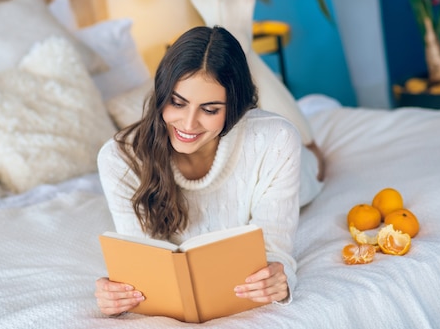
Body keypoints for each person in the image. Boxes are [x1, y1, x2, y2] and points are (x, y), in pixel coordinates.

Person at [95, 25, 309, 316]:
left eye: (209, 110)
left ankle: (314, 148)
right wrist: (117, 294)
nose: (188, 124)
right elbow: (145, 264)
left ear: (233, 106)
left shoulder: (275, 141)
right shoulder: (119, 159)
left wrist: (278, 279)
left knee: (314, 164)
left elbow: (275, 252)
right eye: (177, 103)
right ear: (161, 95)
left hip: (295, 174)